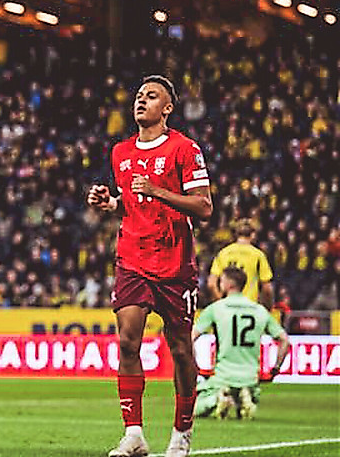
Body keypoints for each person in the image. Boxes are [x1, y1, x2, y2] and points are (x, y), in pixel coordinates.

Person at [87, 75, 213, 457]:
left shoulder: (184, 149)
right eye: (139, 95)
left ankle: (182, 433)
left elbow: (204, 207)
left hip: (174, 262)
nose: (141, 101)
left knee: (180, 349)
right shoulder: (120, 152)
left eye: (152, 96)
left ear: (167, 108)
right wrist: (111, 203)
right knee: (128, 340)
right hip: (132, 257)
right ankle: (134, 434)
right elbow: (132, 203)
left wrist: (157, 190)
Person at [192, 266, 290, 420]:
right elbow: (284, 339)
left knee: (193, 409)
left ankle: (220, 398)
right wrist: (275, 368)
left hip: (223, 376)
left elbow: (190, 338)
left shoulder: (216, 309)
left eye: (221, 281)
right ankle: (244, 396)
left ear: (228, 284)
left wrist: (195, 365)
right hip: (250, 377)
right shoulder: (259, 310)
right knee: (248, 394)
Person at [208, 219, 273, 309]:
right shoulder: (258, 255)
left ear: (236, 234)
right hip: (249, 307)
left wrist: (219, 301)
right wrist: (267, 308)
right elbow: (267, 289)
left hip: (228, 307)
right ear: (253, 234)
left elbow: (211, 284)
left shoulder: (223, 253)